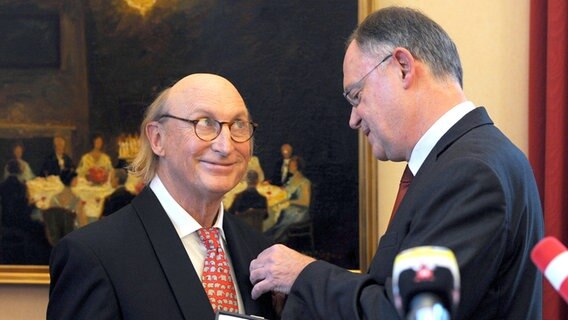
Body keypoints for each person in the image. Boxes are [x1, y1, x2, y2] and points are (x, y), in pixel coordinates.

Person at [249, 7, 544, 319]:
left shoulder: (470, 172)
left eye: (356, 96)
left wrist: (303, 275)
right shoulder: (467, 158)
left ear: (403, 67)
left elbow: (408, 313)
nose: (353, 119)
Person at [48, 73, 278, 319]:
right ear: (158, 139)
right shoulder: (93, 256)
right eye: (205, 123)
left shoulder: (260, 253)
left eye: (238, 125)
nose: (226, 146)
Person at [264, 156, 311, 243]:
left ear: (297, 167)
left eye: (291, 165)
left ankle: (272, 241)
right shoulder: (292, 179)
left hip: (299, 212)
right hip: (288, 208)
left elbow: (306, 202)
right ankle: (264, 238)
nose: (289, 167)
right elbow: (285, 190)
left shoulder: (305, 182)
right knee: (272, 211)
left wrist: (289, 202)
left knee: (279, 221)